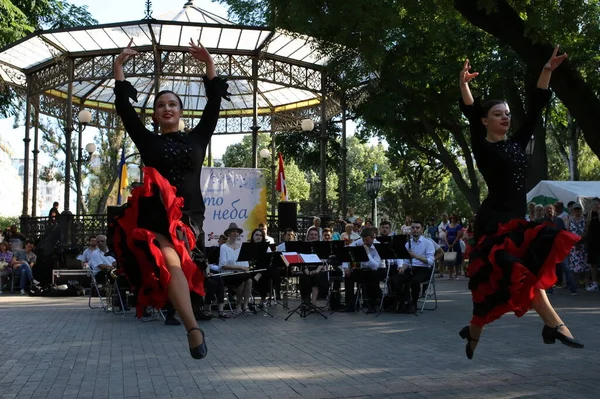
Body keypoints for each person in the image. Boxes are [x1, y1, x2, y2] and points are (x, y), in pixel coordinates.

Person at [457, 48, 583, 360]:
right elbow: (471, 113)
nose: (506, 117)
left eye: (508, 113)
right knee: (501, 284)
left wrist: (547, 69)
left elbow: (538, 105)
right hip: (493, 222)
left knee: (515, 279)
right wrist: (464, 85)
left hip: (517, 221)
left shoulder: (517, 143)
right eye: (498, 113)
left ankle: (476, 332)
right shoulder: (483, 146)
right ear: (486, 121)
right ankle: (550, 325)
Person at [110, 38, 228, 359]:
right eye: (160, 105)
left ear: (180, 111)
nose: (166, 108)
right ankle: (193, 330)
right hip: (156, 215)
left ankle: (189, 322)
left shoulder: (198, 137)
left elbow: (214, 104)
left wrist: (209, 65)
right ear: (155, 114)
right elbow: (124, 109)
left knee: (183, 267)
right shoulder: (147, 140)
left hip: (190, 217)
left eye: (172, 104)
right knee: (171, 262)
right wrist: (119, 67)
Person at [392, 220, 435, 314]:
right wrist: (402, 268)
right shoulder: (408, 244)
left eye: (417, 228)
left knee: (414, 281)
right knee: (395, 279)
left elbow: (430, 261)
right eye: (413, 228)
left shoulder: (428, 243)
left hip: (424, 269)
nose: (415, 230)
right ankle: (403, 302)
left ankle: (414, 303)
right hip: (412, 268)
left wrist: (416, 256)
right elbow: (407, 261)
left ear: (422, 230)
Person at [340, 228, 382, 313]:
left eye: (367, 240)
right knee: (348, 277)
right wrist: (346, 267)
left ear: (372, 238)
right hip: (362, 269)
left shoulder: (378, 246)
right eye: (364, 240)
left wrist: (367, 254)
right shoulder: (359, 242)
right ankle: (350, 304)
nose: (365, 242)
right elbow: (347, 251)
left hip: (376, 270)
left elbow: (375, 266)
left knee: (373, 276)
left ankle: (371, 305)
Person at [219, 223, 253, 313]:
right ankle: (238, 305)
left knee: (249, 280)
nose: (235, 233)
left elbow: (246, 265)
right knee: (241, 279)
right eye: (233, 231)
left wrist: (243, 269)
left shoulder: (242, 246)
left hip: (240, 274)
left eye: (237, 232)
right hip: (227, 275)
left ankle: (245, 305)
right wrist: (240, 268)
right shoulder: (223, 247)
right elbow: (223, 265)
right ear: (229, 233)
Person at [566, 204, 587, 296]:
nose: (577, 211)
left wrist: (580, 240)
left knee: (586, 264)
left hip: (583, 244)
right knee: (574, 265)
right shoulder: (570, 220)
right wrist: (574, 241)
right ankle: (576, 283)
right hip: (573, 245)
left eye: (578, 209)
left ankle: (586, 283)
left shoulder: (585, 219)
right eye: (575, 210)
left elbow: (586, 230)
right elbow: (568, 231)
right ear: (573, 211)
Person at [584, 198, 600, 292]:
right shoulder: (589, 214)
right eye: (593, 204)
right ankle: (594, 283)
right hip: (592, 242)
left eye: (597, 203)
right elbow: (587, 228)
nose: (595, 205)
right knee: (593, 263)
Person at [444, 214, 463, 279]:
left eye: (454, 218)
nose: (453, 219)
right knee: (449, 259)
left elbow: (458, 236)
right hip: (448, 243)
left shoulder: (458, 226)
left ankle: (457, 274)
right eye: (451, 218)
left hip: (455, 244)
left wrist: (453, 244)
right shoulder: (448, 226)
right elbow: (445, 235)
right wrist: (447, 244)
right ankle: (450, 274)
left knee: (456, 259)